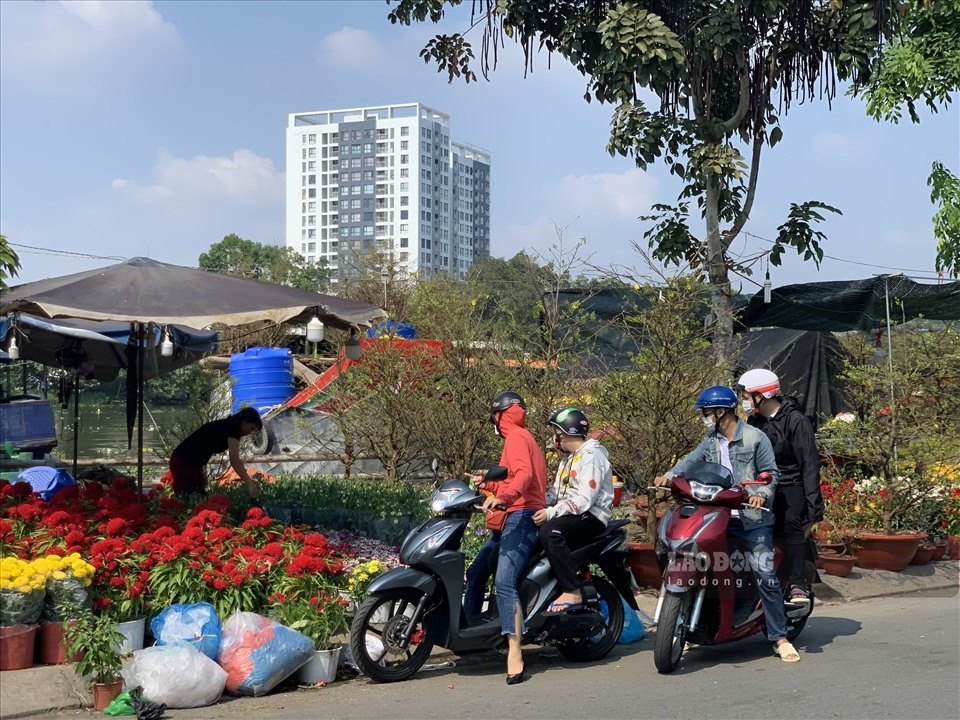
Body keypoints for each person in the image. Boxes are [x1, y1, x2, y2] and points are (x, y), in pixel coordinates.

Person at [654, 385, 801, 664]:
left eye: (707, 411)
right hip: (715, 514)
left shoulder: (755, 438)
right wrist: (669, 475)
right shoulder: (710, 439)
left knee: (763, 571)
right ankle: (685, 624)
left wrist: (760, 494)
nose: (704, 416)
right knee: (695, 560)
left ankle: (779, 636)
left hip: (750, 518)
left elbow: (770, 473)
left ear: (721, 411)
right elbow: (690, 462)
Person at [465, 391, 547, 685]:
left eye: (494, 418)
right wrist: (487, 482)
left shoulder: (515, 437)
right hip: (512, 512)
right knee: (476, 572)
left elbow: (523, 476)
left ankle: (514, 651)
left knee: (503, 581)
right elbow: (512, 474)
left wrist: (506, 497)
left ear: (499, 416)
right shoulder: (522, 437)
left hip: (523, 514)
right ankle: (470, 637)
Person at [738, 368, 824, 604]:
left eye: (747, 396)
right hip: (760, 486)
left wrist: (813, 501)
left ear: (762, 395)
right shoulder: (754, 422)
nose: (744, 402)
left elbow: (809, 463)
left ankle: (797, 582)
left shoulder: (796, 421)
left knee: (791, 523)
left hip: (789, 484)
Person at [533, 407, 614, 612]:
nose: (554, 438)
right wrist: (534, 502)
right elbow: (556, 493)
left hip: (591, 516)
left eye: (556, 433)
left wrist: (550, 513)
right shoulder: (569, 458)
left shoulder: (592, 456)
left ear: (565, 432)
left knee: (551, 532)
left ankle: (572, 590)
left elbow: (584, 499)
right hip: (573, 514)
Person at [169, 407, 263, 499]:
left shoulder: (229, 425)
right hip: (182, 462)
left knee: (200, 498)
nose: (249, 433)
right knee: (187, 500)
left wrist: (200, 471)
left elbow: (202, 446)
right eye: (251, 428)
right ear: (244, 421)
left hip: (192, 463)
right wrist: (250, 483)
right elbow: (234, 460)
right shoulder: (232, 428)